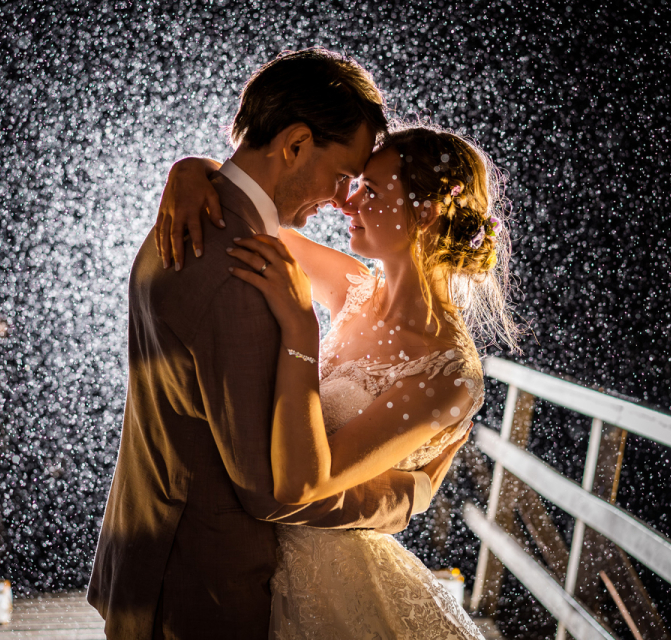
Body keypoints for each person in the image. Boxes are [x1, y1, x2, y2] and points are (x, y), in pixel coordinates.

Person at [88, 49, 463, 640]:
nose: (346, 200)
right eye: (346, 177)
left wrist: (194, 169)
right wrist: (406, 494)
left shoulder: (203, 222)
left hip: (163, 557)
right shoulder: (236, 269)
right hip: (204, 584)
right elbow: (275, 494)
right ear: (293, 145)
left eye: (365, 187)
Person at [156, 123, 518, 638]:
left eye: (370, 191)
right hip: (259, 563)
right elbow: (250, 214)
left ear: (425, 212)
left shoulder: (447, 373)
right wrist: (191, 170)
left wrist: (301, 331)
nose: (348, 203)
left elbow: (304, 485)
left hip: (339, 589)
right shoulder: (353, 287)